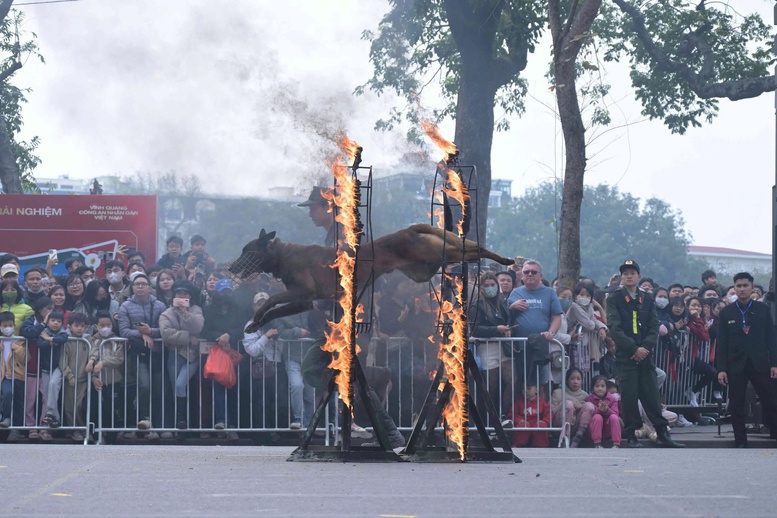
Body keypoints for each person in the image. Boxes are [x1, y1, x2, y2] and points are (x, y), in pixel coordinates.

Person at [606, 260, 684, 448]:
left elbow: (654, 326)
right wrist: (634, 349)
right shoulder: (614, 298)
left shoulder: (647, 298)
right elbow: (614, 328)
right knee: (630, 396)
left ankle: (662, 433)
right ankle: (632, 434)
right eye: (625, 273)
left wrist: (645, 348)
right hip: (627, 356)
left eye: (633, 272)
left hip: (646, 355)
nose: (629, 276)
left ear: (639, 276)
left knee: (651, 396)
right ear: (621, 278)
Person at [716, 272, 777, 448]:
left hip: (759, 363)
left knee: (770, 399)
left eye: (745, 285)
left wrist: (774, 363)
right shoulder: (727, 312)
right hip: (736, 364)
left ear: (752, 287)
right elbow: (722, 342)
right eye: (738, 286)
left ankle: (774, 432)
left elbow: (771, 338)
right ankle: (740, 440)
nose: (742, 289)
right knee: (736, 403)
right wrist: (721, 368)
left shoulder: (763, 309)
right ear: (734, 288)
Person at [118, 272, 167, 439]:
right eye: (136, 284)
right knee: (144, 386)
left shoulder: (160, 305)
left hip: (159, 354)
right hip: (139, 353)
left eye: (143, 284)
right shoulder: (125, 306)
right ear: (132, 287)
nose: (140, 286)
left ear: (150, 287)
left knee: (160, 389)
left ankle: (160, 425)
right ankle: (144, 421)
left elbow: (166, 329)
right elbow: (123, 330)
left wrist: (150, 331)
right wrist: (142, 334)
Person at [506, 259, 562, 390]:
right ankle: (520, 411)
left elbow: (557, 317)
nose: (530, 274)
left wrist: (551, 333)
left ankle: (542, 410)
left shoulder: (549, 292)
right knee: (520, 384)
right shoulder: (515, 293)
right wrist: (512, 306)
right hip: (520, 347)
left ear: (540, 276)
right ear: (522, 275)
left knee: (541, 382)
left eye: (533, 272)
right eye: (526, 272)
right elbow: (505, 316)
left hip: (540, 346)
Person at [159, 280, 204, 430]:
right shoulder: (167, 313)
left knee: (180, 384)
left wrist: (185, 313)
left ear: (190, 296)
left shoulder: (196, 309)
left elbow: (198, 326)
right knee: (176, 389)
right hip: (174, 354)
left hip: (193, 355)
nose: (182, 296)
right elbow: (166, 334)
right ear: (174, 295)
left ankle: (187, 421)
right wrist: (187, 336)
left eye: (185, 293)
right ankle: (180, 424)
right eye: (179, 293)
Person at [469, 272, 511, 421]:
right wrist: (496, 329)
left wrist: (508, 329)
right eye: (486, 285)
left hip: (504, 346)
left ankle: (504, 415)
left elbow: (508, 319)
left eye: (492, 285)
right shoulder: (476, 305)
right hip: (487, 347)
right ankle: (488, 421)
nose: (490, 288)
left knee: (511, 380)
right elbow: (475, 328)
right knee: (490, 387)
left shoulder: (502, 301)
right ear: (481, 287)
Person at [88, 311, 126, 442]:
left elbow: (119, 359)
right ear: (96, 326)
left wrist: (103, 363)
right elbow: (86, 360)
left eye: (108, 325)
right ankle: (95, 435)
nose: (105, 328)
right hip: (96, 381)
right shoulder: (92, 341)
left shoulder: (117, 340)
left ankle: (112, 436)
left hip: (114, 380)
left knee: (112, 409)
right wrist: (93, 378)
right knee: (95, 409)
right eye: (102, 325)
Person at [59, 312, 91, 442]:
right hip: (70, 379)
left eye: (82, 326)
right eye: (76, 325)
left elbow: (94, 353)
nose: (79, 328)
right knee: (69, 406)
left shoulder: (88, 341)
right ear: (70, 326)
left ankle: (83, 428)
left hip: (84, 379)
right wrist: (69, 375)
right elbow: (62, 360)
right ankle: (74, 430)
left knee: (80, 405)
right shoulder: (66, 341)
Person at [566, 281, 607, 373]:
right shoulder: (574, 307)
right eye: (581, 294)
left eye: (588, 295)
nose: (585, 297)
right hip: (574, 344)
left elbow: (594, 320)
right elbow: (589, 325)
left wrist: (601, 327)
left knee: (586, 371)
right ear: (576, 295)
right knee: (576, 371)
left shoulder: (589, 307)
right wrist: (594, 324)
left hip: (584, 345)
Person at [550, 368, 594, 448]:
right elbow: (551, 411)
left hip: (576, 427)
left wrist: (580, 408)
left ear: (582, 381)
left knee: (589, 406)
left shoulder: (585, 395)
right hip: (560, 425)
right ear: (567, 381)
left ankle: (578, 437)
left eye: (578, 379)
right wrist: (567, 405)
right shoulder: (558, 393)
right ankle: (564, 437)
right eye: (572, 379)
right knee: (569, 404)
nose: (575, 382)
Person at [0, 311, 26, 441]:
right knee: (8, 393)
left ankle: (15, 430)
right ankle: (6, 417)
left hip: (18, 376)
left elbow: (26, 359)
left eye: (10, 325)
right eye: (4, 326)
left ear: (14, 325)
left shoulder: (20, 341)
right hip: (4, 376)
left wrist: (19, 349)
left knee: (18, 403)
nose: (7, 328)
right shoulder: (1, 341)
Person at [586, 375, 621, 448]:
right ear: (592, 388)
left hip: (608, 429)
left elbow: (616, 414)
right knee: (597, 417)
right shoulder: (590, 399)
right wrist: (600, 410)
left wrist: (607, 410)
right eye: (597, 386)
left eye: (602, 386)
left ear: (606, 388)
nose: (600, 388)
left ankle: (616, 444)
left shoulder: (612, 399)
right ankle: (597, 444)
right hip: (594, 429)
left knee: (614, 417)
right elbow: (590, 415)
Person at [509, 383, 549, 447]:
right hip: (525, 423)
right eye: (523, 389)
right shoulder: (519, 402)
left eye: (529, 388)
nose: (526, 391)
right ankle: (518, 445)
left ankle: (541, 447)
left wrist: (544, 421)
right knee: (523, 425)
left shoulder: (542, 402)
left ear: (536, 390)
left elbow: (549, 413)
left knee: (541, 425)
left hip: (536, 424)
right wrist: (519, 420)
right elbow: (512, 414)